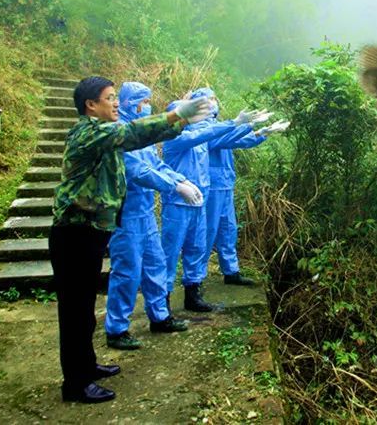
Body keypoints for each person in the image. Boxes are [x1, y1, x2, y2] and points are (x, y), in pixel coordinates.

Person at [50, 76, 210, 404]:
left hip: (91, 231)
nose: (115, 104)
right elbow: (132, 132)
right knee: (75, 310)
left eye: (115, 97)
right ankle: (75, 384)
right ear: (90, 105)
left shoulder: (104, 136)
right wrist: (174, 114)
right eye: (109, 98)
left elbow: (137, 142)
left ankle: (87, 366)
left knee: (83, 309)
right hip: (74, 233)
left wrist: (177, 119)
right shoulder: (88, 132)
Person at [104, 82, 198, 351]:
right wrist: (173, 187)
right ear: (132, 102)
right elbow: (137, 171)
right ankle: (117, 328)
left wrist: (180, 180)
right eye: (144, 101)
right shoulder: (121, 133)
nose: (148, 105)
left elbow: (156, 165)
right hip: (127, 213)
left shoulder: (142, 135)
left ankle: (160, 316)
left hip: (145, 212)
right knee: (127, 272)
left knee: (155, 265)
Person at [160, 101, 265, 312]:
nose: (209, 110)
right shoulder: (176, 137)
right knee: (171, 251)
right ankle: (162, 303)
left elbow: (218, 136)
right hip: (179, 201)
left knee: (198, 245)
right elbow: (207, 136)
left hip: (201, 195)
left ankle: (193, 293)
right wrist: (239, 123)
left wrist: (259, 131)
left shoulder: (203, 133)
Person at [190, 87, 267, 286]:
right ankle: (196, 278)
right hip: (212, 186)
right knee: (208, 231)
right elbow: (222, 140)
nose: (214, 102)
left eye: (215, 98)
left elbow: (237, 141)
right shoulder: (201, 127)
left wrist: (261, 133)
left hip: (225, 184)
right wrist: (246, 125)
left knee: (228, 229)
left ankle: (231, 271)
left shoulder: (218, 125)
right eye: (209, 99)